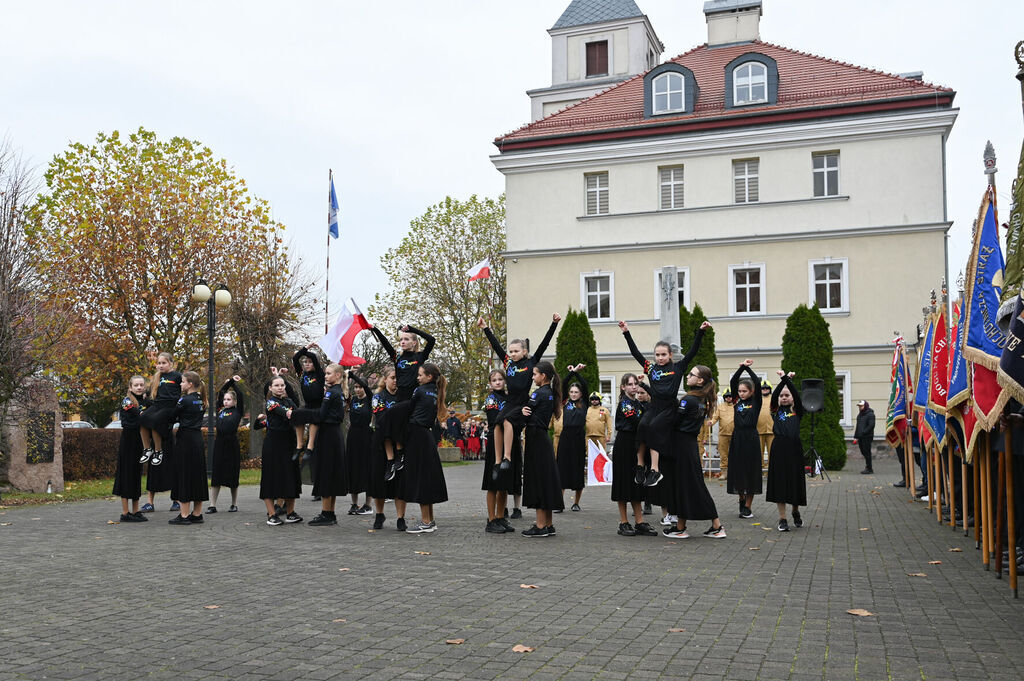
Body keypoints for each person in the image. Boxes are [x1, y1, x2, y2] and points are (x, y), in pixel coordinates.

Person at [618, 319, 709, 487]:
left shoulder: (678, 368)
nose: (660, 358)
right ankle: (640, 466)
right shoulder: (651, 369)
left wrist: (701, 331)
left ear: (670, 355)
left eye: (663, 355)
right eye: (657, 355)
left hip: (669, 408)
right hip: (654, 407)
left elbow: (692, 352)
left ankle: (655, 470)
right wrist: (626, 332)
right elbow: (636, 353)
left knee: (654, 428)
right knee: (642, 426)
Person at [479, 313, 560, 480]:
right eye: (511, 351)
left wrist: (553, 324)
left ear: (525, 351)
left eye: (516, 351)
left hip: (522, 402)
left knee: (508, 421)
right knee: (497, 424)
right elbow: (496, 345)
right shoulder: (508, 363)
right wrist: (485, 328)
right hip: (510, 401)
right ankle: (497, 461)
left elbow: (545, 343)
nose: (513, 354)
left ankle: (507, 457)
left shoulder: (531, 363)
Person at [662, 365, 726, 539]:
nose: (687, 376)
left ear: (700, 380)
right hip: (688, 445)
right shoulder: (701, 399)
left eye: (691, 374)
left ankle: (714, 526)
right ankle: (682, 527)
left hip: (682, 446)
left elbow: (674, 422)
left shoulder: (689, 400)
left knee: (692, 486)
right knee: (688, 486)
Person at [369, 323, 435, 480]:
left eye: (406, 339)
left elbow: (431, 340)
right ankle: (392, 460)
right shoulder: (397, 357)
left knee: (401, 426)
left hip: (412, 399)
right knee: (386, 425)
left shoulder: (419, 357)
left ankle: (400, 455)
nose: (403, 342)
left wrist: (412, 329)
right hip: (399, 397)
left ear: (414, 342)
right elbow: (385, 344)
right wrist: (375, 329)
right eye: (401, 340)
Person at [402, 363, 449, 533]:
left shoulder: (419, 391)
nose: (417, 377)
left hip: (417, 436)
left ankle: (426, 521)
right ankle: (430, 520)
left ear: (429, 377)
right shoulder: (436, 392)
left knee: (421, 478)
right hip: (426, 436)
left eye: (420, 375)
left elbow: (409, 410)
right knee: (427, 477)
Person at [609, 374, 657, 537]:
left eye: (636, 384)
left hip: (637, 445)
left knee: (636, 484)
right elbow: (640, 421)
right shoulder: (625, 404)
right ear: (623, 387)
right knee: (623, 483)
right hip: (625, 444)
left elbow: (653, 409)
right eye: (629, 384)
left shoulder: (639, 403)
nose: (634, 387)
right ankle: (624, 522)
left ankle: (639, 521)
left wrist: (646, 384)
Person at [520, 361, 564, 537]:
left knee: (538, 480)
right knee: (546, 480)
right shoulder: (551, 394)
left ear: (543, 376)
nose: (532, 377)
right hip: (543, 438)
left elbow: (526, 413)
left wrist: (519, 412)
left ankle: (540, 526)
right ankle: (548, 523)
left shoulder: (539, 394)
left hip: (536, 439)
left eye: (534, 374)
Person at [255, 375, 302, 526]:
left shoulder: (289, 401)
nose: (280, 387)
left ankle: (290, 513)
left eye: (282, 385)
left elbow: (297, 411)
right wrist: (292, 414)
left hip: (289, 443)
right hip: (273, 445)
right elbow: (287, 413)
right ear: (270, 388)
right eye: (276, 385)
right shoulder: (271, 403)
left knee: (290, 477)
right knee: (271, 478)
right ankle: (272, 514)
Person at [765, 371, 806, 531]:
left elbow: (795, 392)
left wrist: (787, 380)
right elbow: (774, 396)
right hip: (778, 449)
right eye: (782, 395)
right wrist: (783, 381)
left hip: (794, 449)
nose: (783, 397)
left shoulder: (798, 411)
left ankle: (795, 511)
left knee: (794, 482)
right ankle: (782, 518)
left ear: (793, 398)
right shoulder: (775, 411)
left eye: (787, 395)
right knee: (780, 483)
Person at [367, 369, 407, 530]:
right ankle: (379, 514)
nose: (395, 381)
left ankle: (400, 518)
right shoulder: (378, 396)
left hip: (400, 443)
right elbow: (381, 417)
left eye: (398, 378)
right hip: (381, 442)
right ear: (385, 379)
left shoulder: (403, 396)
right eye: (392, 378)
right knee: (379, 480)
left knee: (400, 481)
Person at [308, 364, 349, 526]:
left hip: (327, 435)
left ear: (338, 375)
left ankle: (326, 513)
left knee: (325, 471)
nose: (325, 376)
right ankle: (330, 513)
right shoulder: (339, 392)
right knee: (332, 472)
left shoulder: (331, 392)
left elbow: (321, 415)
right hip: (335, 435)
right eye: (325, 373)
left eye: (329, 373)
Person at [168, 371, 209, 525]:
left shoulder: (184, 400)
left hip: (185, 439)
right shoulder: (201, 399)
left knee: (184, 474)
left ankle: (184, 515)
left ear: (190, 384)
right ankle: (197, 514)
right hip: (197, 439)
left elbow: (172, 416)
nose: (180, 384)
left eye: (183, 382)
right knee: (197, 475)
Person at [482, 369, 516, 534]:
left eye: (500, 379)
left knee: (504, 484)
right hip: (495, 443)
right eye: (494, 380)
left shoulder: (509, 397)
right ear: (490, 383)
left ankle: (501, 516)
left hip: (509, 443)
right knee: (492, 483)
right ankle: (491, 519)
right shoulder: (491, 399)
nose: (497, 382)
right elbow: (496, 421)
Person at [728, 359, 763, 519]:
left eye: (744, 391)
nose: (741, 393)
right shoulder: (736, 402)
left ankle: (748, 506)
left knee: (751, 471)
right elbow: (733, 381)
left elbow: (756, 381)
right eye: (740, 391)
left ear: (751, 392)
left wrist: (748, 369)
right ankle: (741, 499)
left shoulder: (756, 402)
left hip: (751, 438)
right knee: (738, 470)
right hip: (737, 438)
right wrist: (741, 366)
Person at [113, 375, 149, 522]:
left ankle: (136, 510)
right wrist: (144, 419)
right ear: (130, 387)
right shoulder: (127, 401)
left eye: (141, 385)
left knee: (136, 475)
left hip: (139, 443)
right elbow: (132, 421)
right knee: (126, 475)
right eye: (136, 385)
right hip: (128, 442)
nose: (139, 387)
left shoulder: (145, 401)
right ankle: (125, 512)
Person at [208, 376, 245, 514]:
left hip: (232, 444)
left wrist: (234, 383)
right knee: (216, 475)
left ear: (235, 402)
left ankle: (234, 504)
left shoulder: (238, 411)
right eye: (225, 399)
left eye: (229, 399)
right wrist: (229, 381)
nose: (226, 401)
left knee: (232, 475)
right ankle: (212, 505)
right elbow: (221, 392)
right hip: (220, 444)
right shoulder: (220, 410)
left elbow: (240, 395)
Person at [138, 351, 181, 467]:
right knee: (142, 418)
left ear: (171, 364)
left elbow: (186, 387)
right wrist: (145, 394)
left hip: (169, 406)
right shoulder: (157, 376)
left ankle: (158, 451)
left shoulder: (177, 376)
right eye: (159, 363)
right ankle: (147, 449)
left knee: (155, 421)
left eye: (164, 363)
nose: (161, 365)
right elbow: (151, 389)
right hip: (157, 405)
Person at [556, 365, 588, 512]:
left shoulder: (584, 403)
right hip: (566, 436)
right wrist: (572, 372)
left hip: (578, 437)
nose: (574, 394)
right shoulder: (565, 402)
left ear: (581, 394)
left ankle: (576, 502)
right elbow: (562, 384)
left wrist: (578, 375)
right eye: (572, 392)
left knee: (577, 468)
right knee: (562, 468)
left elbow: (586, 386)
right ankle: (559, 502)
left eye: (576, 392)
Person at [346, 371, 374, 516]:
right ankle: (354, 504)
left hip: (366, 436)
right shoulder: (353, 400)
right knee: (353, 469)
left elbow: (367, 389)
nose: (357, 389)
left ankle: (368, 505)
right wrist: (345, 376)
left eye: (360, 387)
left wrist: (352, 374)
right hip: (353, 436)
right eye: (355, 387)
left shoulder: (370, 399)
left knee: (367, 469)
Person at [291, 346, 325, 461]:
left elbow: (314, 357)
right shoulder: (302, 375)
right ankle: (299, 446)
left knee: (313, 417)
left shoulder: (319, 374)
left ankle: (310, 447)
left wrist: (309, 350)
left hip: (318, 406)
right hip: (307, 405)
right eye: (305, 362)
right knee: (297, 414)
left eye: (309, 362)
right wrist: (305, 348)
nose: (306, 364)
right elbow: (295, 359)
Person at [585, 390, 612, 479]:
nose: (594, 401)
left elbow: (609, 424)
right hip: (588, 437)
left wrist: (609, 435)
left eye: (596, 399)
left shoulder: (604, 410)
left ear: (599, 400)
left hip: (601, 437)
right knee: (590, 456)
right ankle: (592, 474)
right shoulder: (587, 410)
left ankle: (602, 473)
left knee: (601, 455)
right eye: (592, 399)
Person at [710, 390, 734, 476]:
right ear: (724, 397)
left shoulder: (737, 406)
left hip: (734, 434)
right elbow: (715, 417)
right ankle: (724, 473)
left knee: (734, 454)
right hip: (723, 434)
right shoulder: (720, 407)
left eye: (730, 396)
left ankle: (734, 473)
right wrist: (711, 422)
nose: (728, 398)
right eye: (727, 396)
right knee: (723, 454)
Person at [855, 400, 876, 474]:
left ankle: (869, 468)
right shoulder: (860, 415)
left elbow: (871, 425)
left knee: (867, 452)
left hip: (867, 436)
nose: (860, 407)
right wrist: (856, 436)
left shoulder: (870, 414)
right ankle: (868, 466)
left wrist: (864, 432)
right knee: (863, 451)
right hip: (860, 437)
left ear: (865, 406)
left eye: (861, 406)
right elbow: (858, 426)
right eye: (859, 406)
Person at [757, 379, 774, 468]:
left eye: (767, 388)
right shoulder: (757, 399)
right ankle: (760, 469)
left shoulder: (774, 399)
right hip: (759, 430)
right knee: (759, 452)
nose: (765, 389)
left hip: (772, 430)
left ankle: (771, 469)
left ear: (770, 389)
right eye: (763, 388)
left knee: (772, 451)